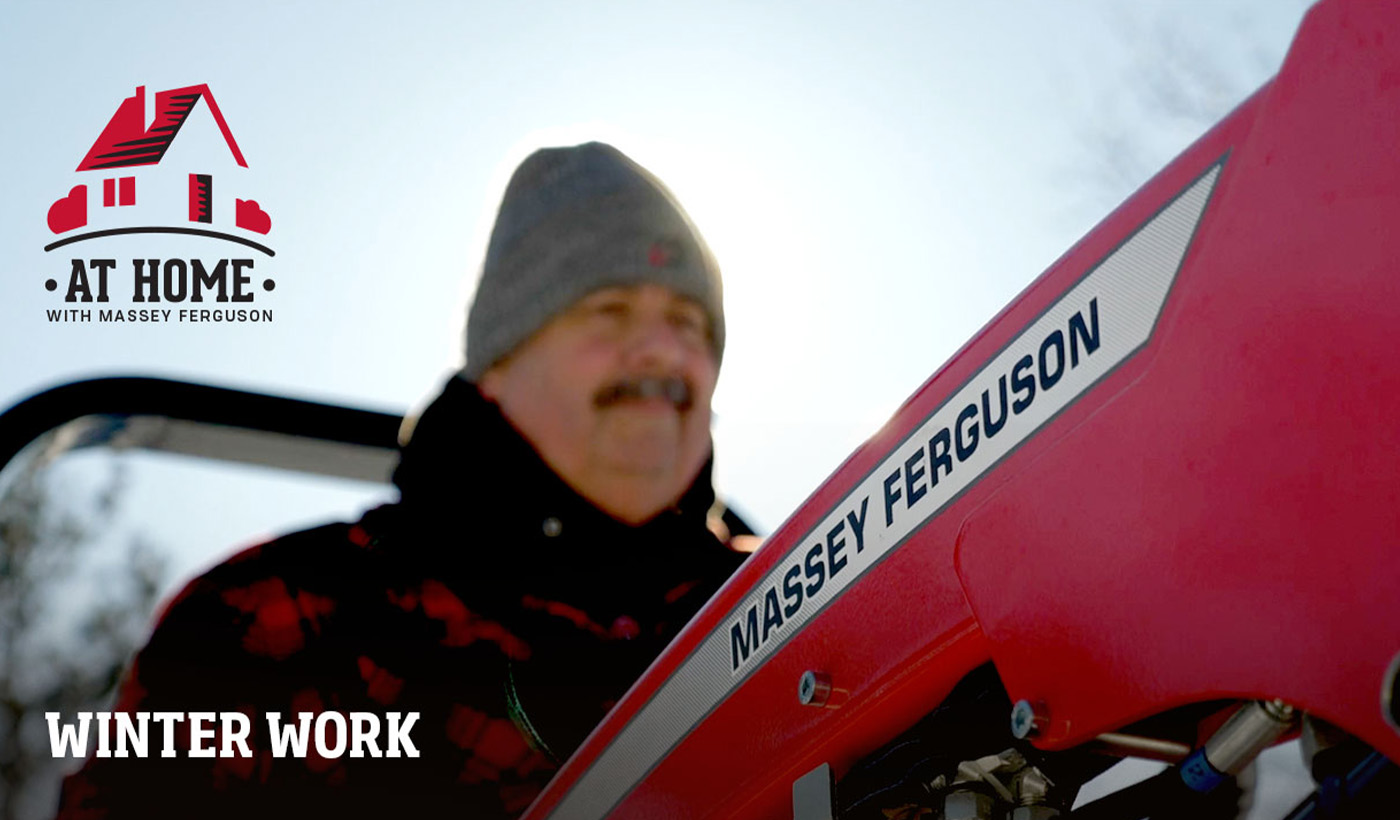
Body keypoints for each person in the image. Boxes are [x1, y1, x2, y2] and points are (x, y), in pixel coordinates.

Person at [57, 142, 751, 819]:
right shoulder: (273, 623)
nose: (665, 350)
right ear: (500, 363)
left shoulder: (788, 597)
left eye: (689, 322)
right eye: (610, 309)